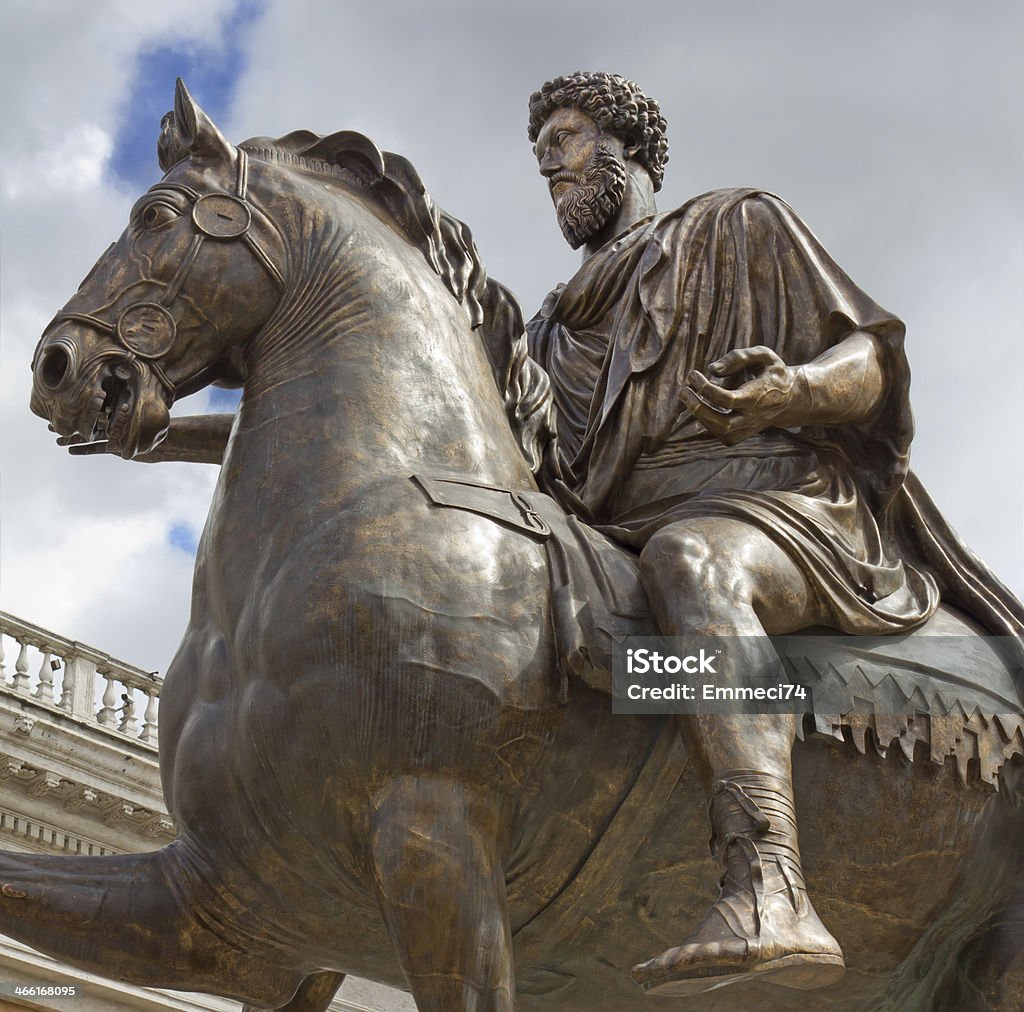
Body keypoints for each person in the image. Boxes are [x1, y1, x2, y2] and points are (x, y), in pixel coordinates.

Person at [524, 70, 948, 997]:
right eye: (539, 149)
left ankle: (770, 886)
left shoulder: (734, 224)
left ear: (629, 148)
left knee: (694, 562)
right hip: (619, 537)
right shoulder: (549, 329)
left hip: (780, 514)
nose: (548, 158)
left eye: (567, 135)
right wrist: (186, 436)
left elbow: (868, 361)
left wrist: (788, 392)